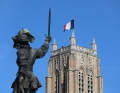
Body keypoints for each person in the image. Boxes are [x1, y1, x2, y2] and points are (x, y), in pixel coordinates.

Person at [11, 29, 51, 93]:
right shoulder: (34, 51)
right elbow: (42, 51)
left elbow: (23, 65)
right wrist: (46, 42)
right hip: (30, 77)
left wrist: (21, 78)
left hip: (23, 77)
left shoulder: (21, 51)